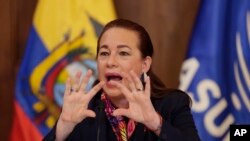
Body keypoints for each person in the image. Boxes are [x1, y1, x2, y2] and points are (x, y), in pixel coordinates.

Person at [43, 19, 201, 141]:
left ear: (145, 64)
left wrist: (157, 124)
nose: (110, 62)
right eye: (104, 53)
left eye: (123, 53)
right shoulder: (84, 112)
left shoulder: (171, 104)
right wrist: (62, 130)